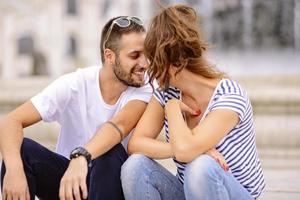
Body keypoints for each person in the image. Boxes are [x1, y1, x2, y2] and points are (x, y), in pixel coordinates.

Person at [121, 4, 265, 200]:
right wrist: (197, 148)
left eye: (152, 59)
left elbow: (186, 151)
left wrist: (172, 109)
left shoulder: (230, 96)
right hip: (190, 191)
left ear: (170, 65)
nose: (146, 66)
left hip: (234, 193)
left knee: (200, 167)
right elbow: (136, 144)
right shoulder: (167, 93)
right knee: (134, 166)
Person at [0, 16, 151, 200]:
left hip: (111, 186)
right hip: (69, 185)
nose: (145, 64)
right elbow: (11, 121)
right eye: (135, 55)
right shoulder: (75, 84)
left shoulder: (144, 88)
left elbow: (119, 125)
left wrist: (82, 157)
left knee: (110, 153)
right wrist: (14, 170)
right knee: (20, 152)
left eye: (147, 54)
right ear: (109, 56)